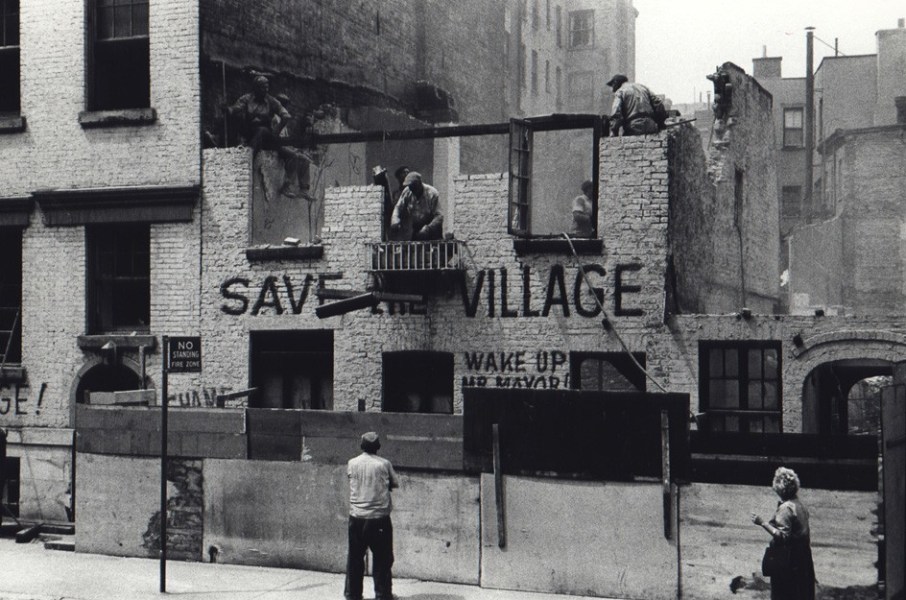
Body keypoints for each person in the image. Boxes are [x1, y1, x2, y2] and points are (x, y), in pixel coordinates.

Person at [345, 431, 400, 600]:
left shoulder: (352, 463)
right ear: (378, 447)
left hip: (356, 517)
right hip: (379, 519)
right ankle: (383, 595)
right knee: (383, 559)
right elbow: (395, 483)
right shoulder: (384, 464)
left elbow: (352, 480)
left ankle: (352, 594)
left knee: (355, 558)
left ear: (362, 446)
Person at [223, 75, 298, 195]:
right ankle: (242, 154)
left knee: (291, 154)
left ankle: (249, 158)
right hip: (249, 132)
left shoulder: (271, 101)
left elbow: (286, 116)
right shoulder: (247, 98)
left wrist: (276, 131)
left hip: (267, 135)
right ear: (256, 88)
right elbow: (237, 108)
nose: (266, 90)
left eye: (267, 87)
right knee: (241, 122)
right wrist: (230, 110)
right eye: (263, 87)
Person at [751, 467, 816, 600]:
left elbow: (783, 536)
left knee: (784, 594)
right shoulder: (800, 505)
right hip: (803, 558)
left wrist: (762, 523)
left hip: (789, 560)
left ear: (781, 489)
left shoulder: (786, 508)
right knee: (802, 593)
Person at [389, 171, 443, 241]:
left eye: (413, 186)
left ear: (419, 184)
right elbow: (398, 207)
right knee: (415, 248)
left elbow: (439, 216)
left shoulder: (432, 193)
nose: (411, 189)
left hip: (432, 227)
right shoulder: (407, 191)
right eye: (410, 187)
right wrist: (395, 219)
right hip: (417, 226)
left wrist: (428, 228)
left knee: (434, 248)